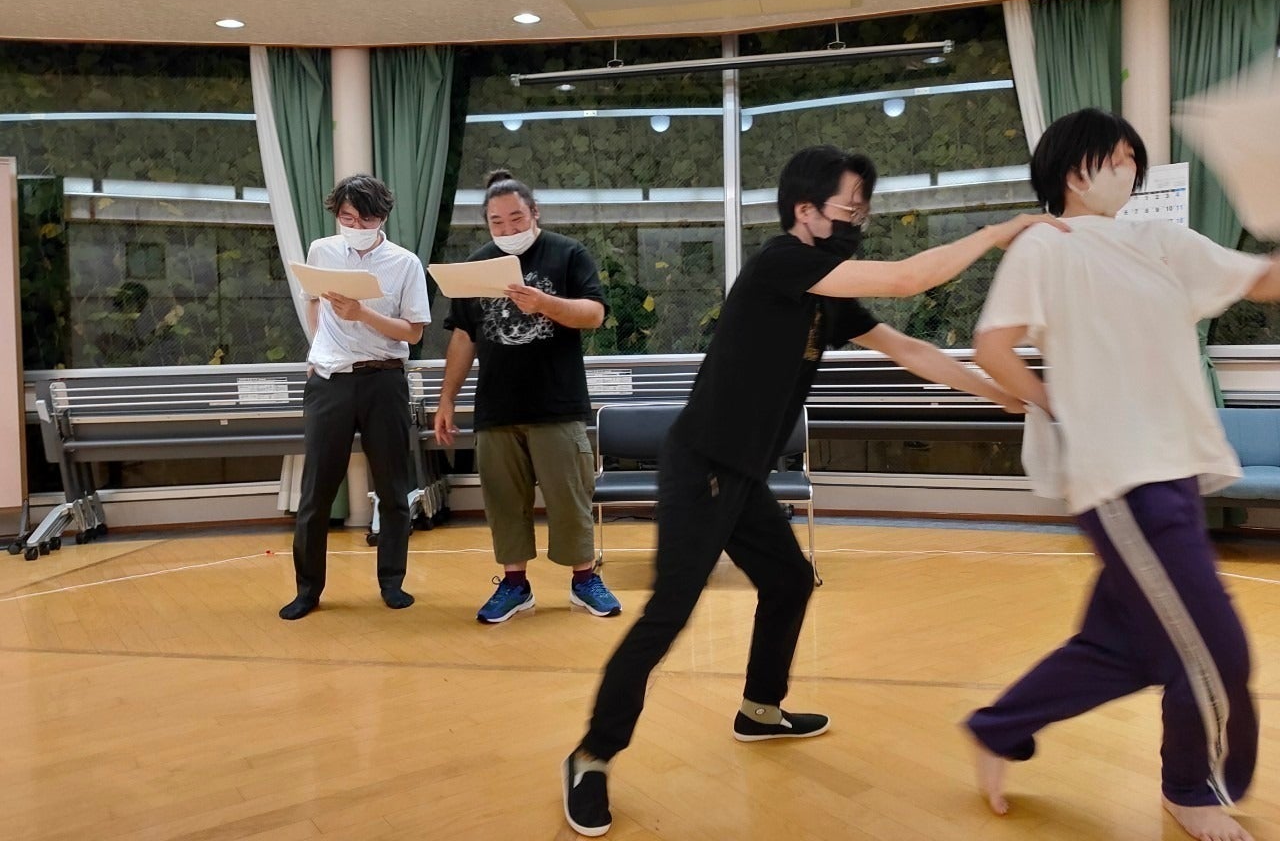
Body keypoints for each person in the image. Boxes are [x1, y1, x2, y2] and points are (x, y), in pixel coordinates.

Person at [562, 144, 1066, 837]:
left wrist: (998, 392)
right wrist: (997, 232)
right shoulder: (780, 263)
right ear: (805, 211)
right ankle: (591, 756)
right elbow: (908, 278)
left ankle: (759, 710)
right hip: (702, 465)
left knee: (790, 582)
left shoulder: (827, 296)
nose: (858, 220)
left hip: (742, 472)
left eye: (863, 209)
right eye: (848, 208)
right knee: (668, 616)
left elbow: (910, 349)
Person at [964, 107, 1280, 841]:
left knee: (1124, 647)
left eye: (1133, 158)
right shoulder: (1045, 246)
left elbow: (1262, 279)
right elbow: (994, 349)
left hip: (1177, 469)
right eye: (1116, 156)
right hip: (1122, 479)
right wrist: (1059, 406)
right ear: (1073, 170)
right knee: (1214, 650)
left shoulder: (1160, 240)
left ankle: (997, 727)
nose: (1129, 168)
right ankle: (1191, 788)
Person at [434, 170, 622, 623]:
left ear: (534, 213)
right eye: (497, 222)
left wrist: (545, 304)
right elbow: (463, 337)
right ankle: (515, 585)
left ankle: (584, 580)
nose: (508, 228)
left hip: (557, 403)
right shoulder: (476, 267)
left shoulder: (567, 253)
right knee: (503, 500)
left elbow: (594, 314)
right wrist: (446, 399)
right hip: (497, 407)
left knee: (570, 496)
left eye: (516, 218)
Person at [279, 174, 432, 621]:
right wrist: (318, 347)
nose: (355, 226)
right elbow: (312, 300)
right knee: (316, 491)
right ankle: (307, 590)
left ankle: (392, 582)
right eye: (347, 218)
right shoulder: (322, 250)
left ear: (382, 217)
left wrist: (362, 313)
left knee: (393, 489)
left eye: (365, 219)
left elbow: (414, 332)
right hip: (330, 380)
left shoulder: (404, 263)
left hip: (384, 379)